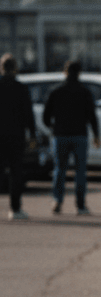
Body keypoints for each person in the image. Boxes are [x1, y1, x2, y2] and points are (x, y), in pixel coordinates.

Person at [43, 60, 99, 216]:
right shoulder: (85, 92)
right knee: (80, 171)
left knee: (59, 169)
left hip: (60, 135)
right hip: (80, 135)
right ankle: (80, 206)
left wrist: (53, 127)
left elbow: (46, 116)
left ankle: (57, 201)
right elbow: (92, 116)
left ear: (65, 72)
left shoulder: (55, 91)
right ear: (80, 73)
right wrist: (96, 135)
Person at [0, 53, 37, 221]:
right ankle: (15, 209)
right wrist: (33, 135)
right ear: (15, 68)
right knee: (16, 173)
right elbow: (28, 114)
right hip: (16, 135)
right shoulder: (21, 88)